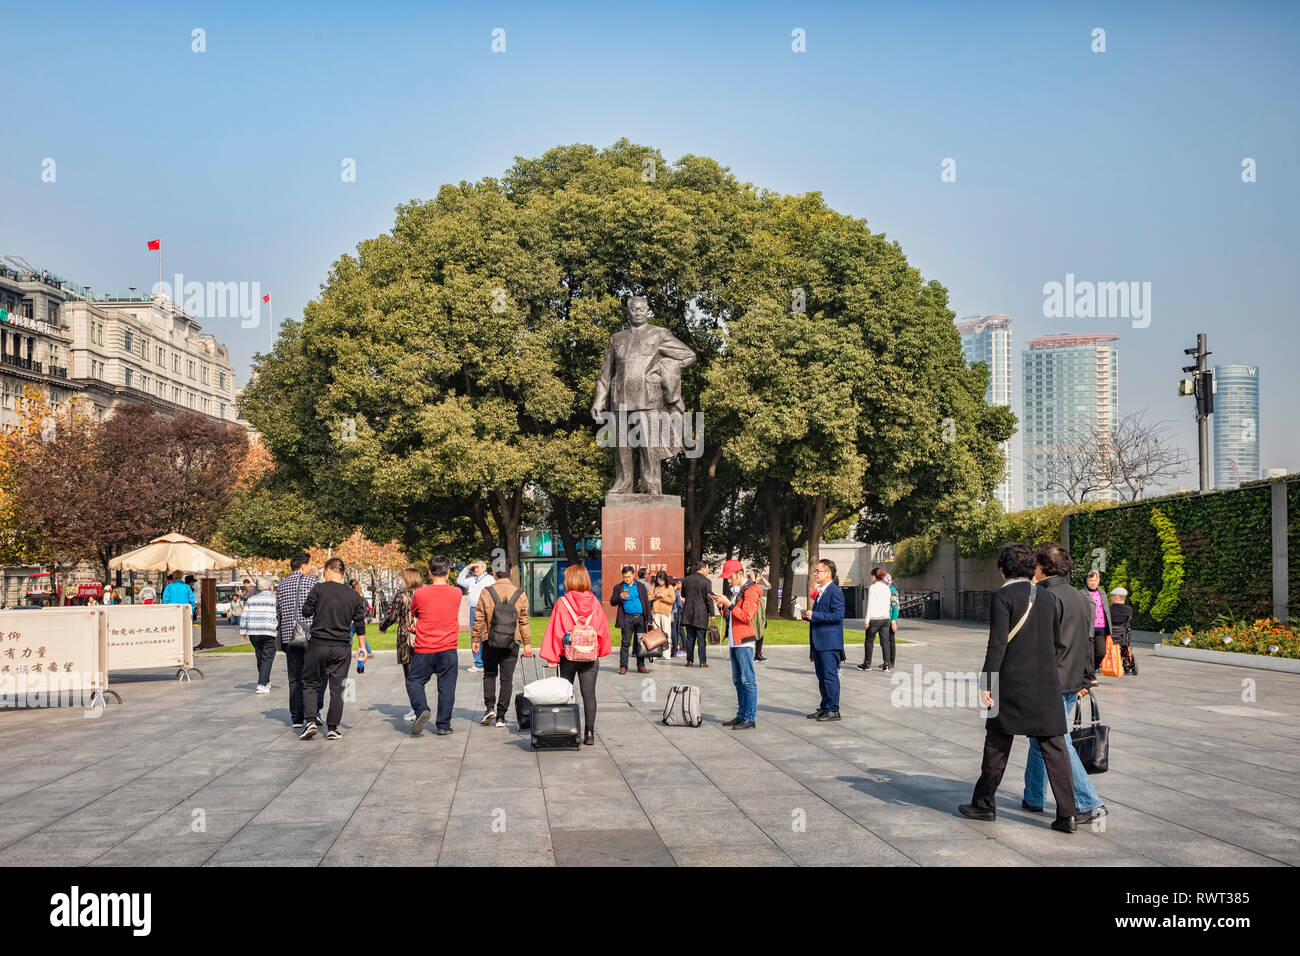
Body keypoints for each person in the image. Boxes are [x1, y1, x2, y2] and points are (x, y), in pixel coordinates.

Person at [960, 543, 1078, 831]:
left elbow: (998, 643)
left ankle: (984, 804)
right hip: (1046, 683)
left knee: (997, 745)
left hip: (1011, 683)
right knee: (1055, 747)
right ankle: (1067, 815)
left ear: (1003, 569)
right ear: (1031, 567)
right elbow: (1054, 641)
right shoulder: (1048, 598)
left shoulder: (1003, 596)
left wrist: (987, 681)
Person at [1022, 542, 1108, 824]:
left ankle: (1089, 802)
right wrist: (1087, 678)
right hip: (1072, 681)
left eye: (1034, 563)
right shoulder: (1082, 598)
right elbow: (1092, 644)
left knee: (1058, 742)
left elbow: (1037, 646)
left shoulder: (1042, 598)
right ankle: (1034, 795)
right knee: (1042, 738)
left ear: (1043, 567)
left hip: (1049, 683)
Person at [541, 564, 612, 745]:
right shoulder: (595, 603)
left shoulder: (563, 603)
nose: (564, 581)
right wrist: (599, 650)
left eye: (565, 578)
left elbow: (555, 631)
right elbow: (602, 630)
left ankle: (568, 729)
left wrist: (552, 657)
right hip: (589, 657)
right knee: (589, 694)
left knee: (565, 693)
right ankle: (589, 733)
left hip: (568, 657)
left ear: (571, 580)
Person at [298, 558, 368, 740]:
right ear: (343, 573)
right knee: (338, 688)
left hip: (318, 644)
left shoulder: (319, 589)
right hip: (341, 646)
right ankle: (332, 728)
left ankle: (311, 721)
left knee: (310, 682)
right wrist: (362, 647)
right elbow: (360, 623)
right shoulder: (353, 596)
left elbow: (306, 611)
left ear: (327, 571)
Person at [472, 562, 531, 728]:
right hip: (512, 642)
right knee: (507, 679)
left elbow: (479, 618)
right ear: (511, 572)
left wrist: (476, 639)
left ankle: (489, 708)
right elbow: (524, 621)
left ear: (494, 574)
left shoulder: (486, 592)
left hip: (489, 640)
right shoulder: (520, 594)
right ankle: (501, 716)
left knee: (489, 674)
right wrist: (527, 643)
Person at [408, 555, 462, 736]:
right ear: (448, 573)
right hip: (448, 647)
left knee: (414, 680)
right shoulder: (456, 593)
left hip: (425, 647)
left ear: (429, 573)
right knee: (447, 687)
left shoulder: (420, 593)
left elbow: (414, 611)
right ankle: (444, 725)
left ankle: (421, 709)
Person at [277, 550, 322, 729]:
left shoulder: (282, 585)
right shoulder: (314, 583)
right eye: (310, 564)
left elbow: (278, 612)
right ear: (304, 565)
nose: (311, 568)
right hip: (310, 636)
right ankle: (313, 712)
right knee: (312, 677)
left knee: (294, 678)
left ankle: (296, 716)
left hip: (289, 637)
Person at [714, 559, 761, 729]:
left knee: (747, 680)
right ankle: (742, 715)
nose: (728, 580)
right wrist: (722, 606)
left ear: (739, 574)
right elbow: (732, 614)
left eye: (729, 577)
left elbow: (746, 616)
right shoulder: (737, 591)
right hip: (735, 640)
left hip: (744, 641)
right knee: (738, 680)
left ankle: (749, 717)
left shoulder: (751, 591)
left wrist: (729, 603)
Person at [801, 559, 844, 721]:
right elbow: (822, 615)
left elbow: (838, 616)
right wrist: (808, 616)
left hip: (829, 642)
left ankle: (834, 709)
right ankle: (825, 706)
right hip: (819, 641)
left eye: (818, 571)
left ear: (828, 573)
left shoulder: (835, 592)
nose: (815, 574)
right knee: (822, 676)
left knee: (829, 676)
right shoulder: (822, 591)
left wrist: (815, 615)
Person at [379, 567, 424, 720]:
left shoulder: (402, 595)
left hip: (406, 638)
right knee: (419, 675)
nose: (400, 580)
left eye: (402, 578)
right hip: (423, 637)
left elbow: (392, 616)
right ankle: (420, 705)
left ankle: (416, 708)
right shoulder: (423, 594)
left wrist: (382, 627)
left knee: (410, 675)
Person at [610, 565, 652, 674]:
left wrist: (649, 618)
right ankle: (623, 666)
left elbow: (646, 603)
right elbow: (612, 601)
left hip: (640, 618)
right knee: (625, 642)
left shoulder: (640, 586)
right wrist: (620, 597)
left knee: (640, 643)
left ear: (633, 575)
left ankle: (641, 666)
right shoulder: (619, 587)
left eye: (629, 577)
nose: (627, 579)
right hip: (627, 618)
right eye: (625, 577)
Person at [239, 583, 279, 694]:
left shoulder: (251, 600)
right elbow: (280, 615)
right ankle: (261, 684)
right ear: (271, 587)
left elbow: (244, 616)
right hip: (270, 631)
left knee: (260, 656)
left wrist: (243, 631)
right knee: (267, 658)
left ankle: (265, 681)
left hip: (254, 632)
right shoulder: (275, 599)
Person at [456, 561, 494, 673]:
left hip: (486, 609)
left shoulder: (490, 579)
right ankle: (478, 663)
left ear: (484, 568)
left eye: (478, 568)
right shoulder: (472, 580)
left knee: (486, 634)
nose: (476, 570)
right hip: (474, 609)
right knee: (475, 635)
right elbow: (460, 580)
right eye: (475, 568)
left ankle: (488, 661)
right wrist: (468, 567)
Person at [859, 567, 893, 671]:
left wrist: (867, 620)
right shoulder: (887, 588)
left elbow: (870, 605)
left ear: (874, 576)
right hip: (885, 618)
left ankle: (867, 664)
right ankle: (886, 664)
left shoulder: (873, 588)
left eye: (871, 576)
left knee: (869, 641)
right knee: (885, 642)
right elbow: (888, 604)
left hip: (874, 619)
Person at [1080, 570, 1111, 684]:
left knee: (1101, 653)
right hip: (1088, 628)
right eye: (1091, 580)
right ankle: (1090, 677)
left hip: (1101, 628)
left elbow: (1106, 611)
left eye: (1095, 580)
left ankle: (1090, 671)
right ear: (1087, 580)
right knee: (1090, 654)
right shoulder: (1081, 593)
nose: (1093, 583)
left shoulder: (1102, 593)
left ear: (1099, 581)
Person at [680, 559, 712, 667]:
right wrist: (712, 613)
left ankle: (689, 661)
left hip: (688, 612)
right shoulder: (707, 582)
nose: (708, 571)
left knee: (690, 638)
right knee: (701, 638)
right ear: (702, 569)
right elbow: (708, 599)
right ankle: (702, 662)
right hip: (701, 614)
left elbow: (683, 594)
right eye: (707, 569)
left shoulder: (686, 580)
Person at [650, 570, 676, 662]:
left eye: (661, 580)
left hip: (665, 613)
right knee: (656, 633)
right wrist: (655, 595)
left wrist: (662, 596)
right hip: (656, 612)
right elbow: (649, 597)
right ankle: (655, 653)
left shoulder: (669, 587)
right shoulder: (654, 586)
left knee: (666, 632)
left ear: (665, 580)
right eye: (658, 580)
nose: (659, 582)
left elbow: (672, 599)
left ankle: (666, 653)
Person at [1110, 587, 1135, 674]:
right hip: (1122, 636)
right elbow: (1129, 619)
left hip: (1110, 637)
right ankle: (1127, 661)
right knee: (1126, 639)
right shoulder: (1129, 609)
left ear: (1116, 597)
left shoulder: (1108, 610)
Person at [750, 571, 771, 662]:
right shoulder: (748, 585)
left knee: (760, 633)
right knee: (752, 634)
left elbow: (769, 586)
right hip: (753, 614)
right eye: (757, 576)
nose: (759, 578)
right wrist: (753, 580)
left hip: (760, 613)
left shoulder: (759, 586)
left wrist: (762, 578)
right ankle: (749, 655)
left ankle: (758, 654)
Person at [670, 577, 686, 657]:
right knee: (678, 630)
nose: (676, 584)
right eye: (676, 582)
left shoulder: (681, 592)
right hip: (677, 612)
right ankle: (679, 647)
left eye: (678, 583)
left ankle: (683, 647)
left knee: (679, 630)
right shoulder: (676, 591)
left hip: (679, 613)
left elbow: (680, 604)